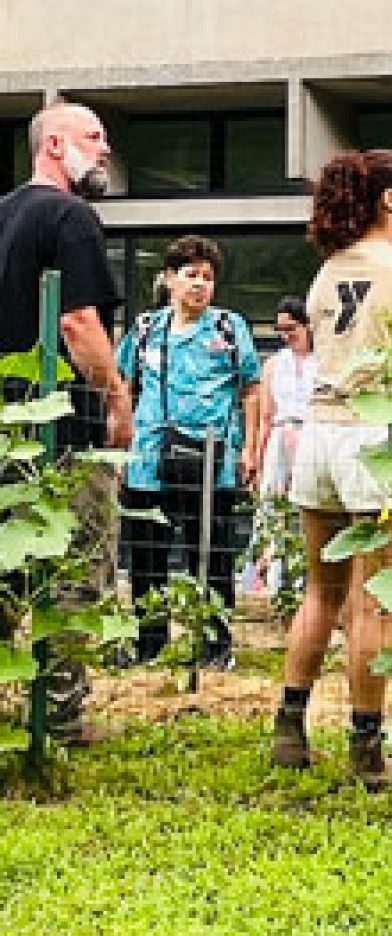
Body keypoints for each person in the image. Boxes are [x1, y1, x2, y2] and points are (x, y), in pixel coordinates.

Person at [273, 148, 392, 787]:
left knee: (320, 591)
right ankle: (366, 746)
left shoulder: (326, 273)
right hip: (380, 441)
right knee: (375, 603)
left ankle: (290, 727)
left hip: (320, 436)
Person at [0, 101, 133, 746]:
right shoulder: (70, 216)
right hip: (61, 431)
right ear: (54, 144)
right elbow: (79, 323)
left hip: (5, 425)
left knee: (3, 570)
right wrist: (115, 397)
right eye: (94, 137)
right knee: (77, 567)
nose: (105, 149)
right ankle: (62, 716)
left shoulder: (3, 213)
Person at [116, 235, 261, 668]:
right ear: (169, 279)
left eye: (208, 277)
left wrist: (250, 446)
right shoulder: (145, 329)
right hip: (149, 457)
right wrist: (121, 447)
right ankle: (149, 642)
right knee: (147, 554)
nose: (199, 285)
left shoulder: (228, 328)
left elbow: (251, 389)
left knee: (212, 552)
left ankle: (216, 644)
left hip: (212, 456)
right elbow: (123, 385)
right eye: (190, 275)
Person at [256, 296, 318, 497]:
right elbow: (266, 416)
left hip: (312, 433)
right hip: (280, 434)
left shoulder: (324, 362)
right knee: (272, 498)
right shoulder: (273, 364)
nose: (285, 335)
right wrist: (259, 457)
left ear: (307, 325)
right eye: (280, 330)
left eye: (291, 329)